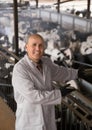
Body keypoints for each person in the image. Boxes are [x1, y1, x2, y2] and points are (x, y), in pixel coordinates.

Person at [12, 34, 86, 130]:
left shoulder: (46, 62)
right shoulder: (20, 69)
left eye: (41, 45)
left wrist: (77, 73)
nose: (38, 49)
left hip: (47, 118)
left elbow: (60, 72)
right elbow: (33, 96)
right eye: (34, 45)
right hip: (29, 121)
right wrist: (59, 93)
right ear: (26, 47)